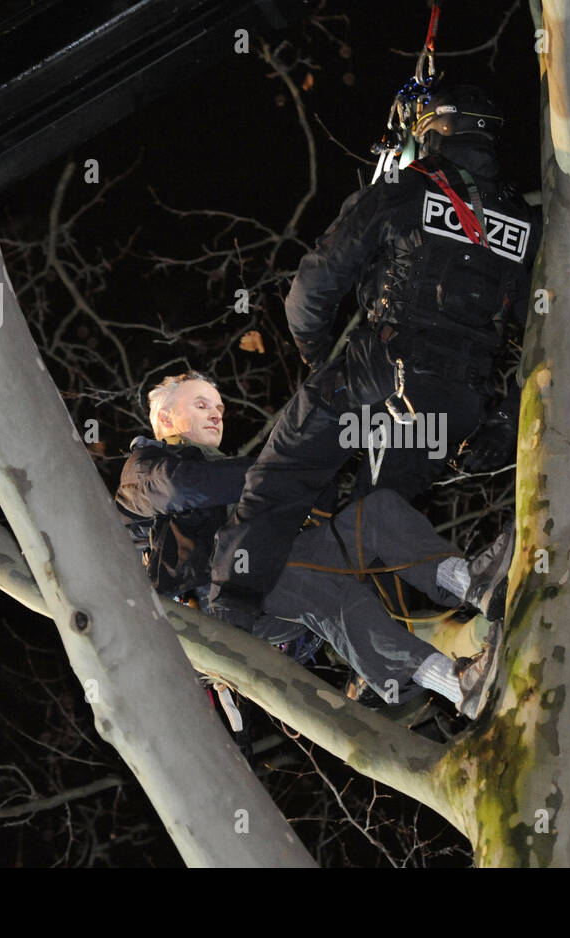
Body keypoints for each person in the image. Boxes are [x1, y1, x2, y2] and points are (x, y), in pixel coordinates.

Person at [208, 83, 538, 628]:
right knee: (377, 520)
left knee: (282, 476)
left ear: (435, 128)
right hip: (455, 402)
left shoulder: (401, 190)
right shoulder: (527, 223)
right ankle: (416, 634)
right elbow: (549, 334)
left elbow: (312, 285)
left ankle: (233, 608)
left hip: (378, 375)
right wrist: (504, 421)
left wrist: (315, 353)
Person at [114, 372, 512, 718]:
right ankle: (457, 686)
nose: (216, 413)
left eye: (218, 406)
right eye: (201, 405)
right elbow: (182, 488)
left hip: (271, 577)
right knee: (315, 583)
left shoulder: (223, 471)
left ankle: (471, 583)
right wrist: (282, 473)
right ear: (165, 418)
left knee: (377, 513)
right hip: (223, 602)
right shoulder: (143, 471)